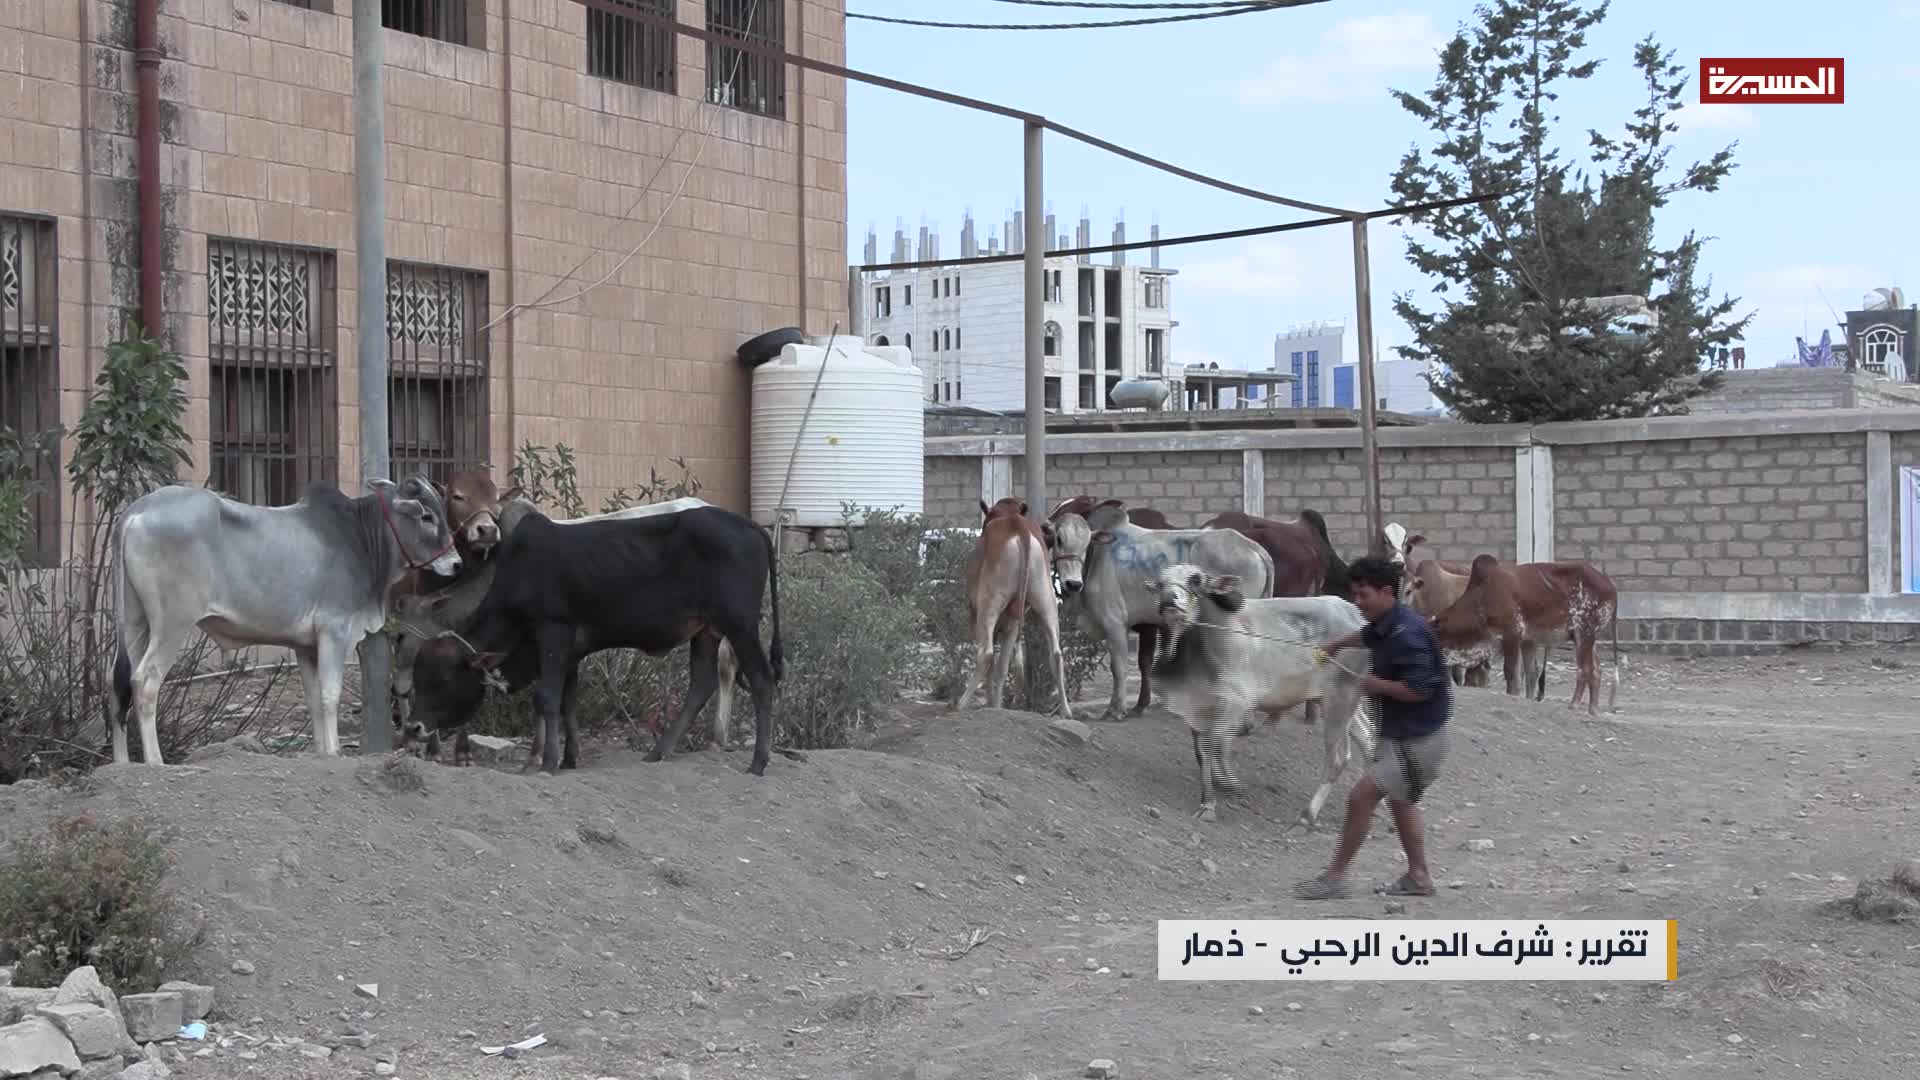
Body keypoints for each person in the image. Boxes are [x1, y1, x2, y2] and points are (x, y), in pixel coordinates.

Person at [1291, 555, 1454, 900]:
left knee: (1360, 798)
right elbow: (1368, 636)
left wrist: (1372, 685)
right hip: (1403, 735)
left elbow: (1419, 690)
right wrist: (1336, 644)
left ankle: (1335, 878)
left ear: (1385, 592)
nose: (1357, 602)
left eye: (1363, 595)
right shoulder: (1388, 623)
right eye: (1354, 594)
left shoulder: (1408, 635)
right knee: (1401, 802)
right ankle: (1419, 876)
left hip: (1418, 742)